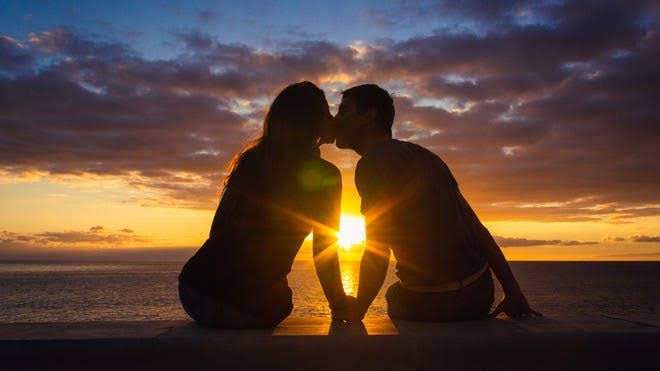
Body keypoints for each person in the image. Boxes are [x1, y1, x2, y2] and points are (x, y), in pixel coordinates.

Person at [331, 84, 540, 322]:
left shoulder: (371, 163)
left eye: (343, 112)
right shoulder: (426, 156)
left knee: (393, 295)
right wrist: (512, 290)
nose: (336, 121)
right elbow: (478, 230)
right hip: (478, 296)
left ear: (369, 115)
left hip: (429, 302)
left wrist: (357, 312)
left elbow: (377, 252)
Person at [178, 81, 353, 328]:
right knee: (283, 301)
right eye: (326, 113)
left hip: (193, 291)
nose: (332, 119)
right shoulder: (326, 175)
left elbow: (217, 230)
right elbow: (324, 249)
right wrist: (339, 303)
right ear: (311, 121)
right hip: (245, 305)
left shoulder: (251, 160)